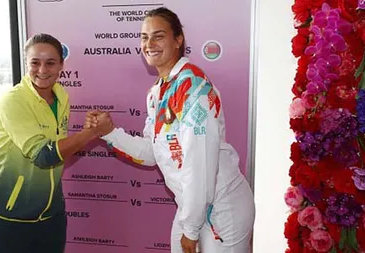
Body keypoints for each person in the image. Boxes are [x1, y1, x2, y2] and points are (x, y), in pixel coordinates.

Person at [85, 7, 255, 253]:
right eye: (144, 37)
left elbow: (200, 165)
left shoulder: (193, 88)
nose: (149, 43)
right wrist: (109, 132)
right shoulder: (159, 91)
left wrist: (191, 229)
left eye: (158, 35)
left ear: (178, 40)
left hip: (222, 207)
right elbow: (151, 152)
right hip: (193, 207)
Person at [0, 33, 98, 253]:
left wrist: (86, 133)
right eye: (35, 63)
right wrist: (89, 134)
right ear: (26, 63)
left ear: (62, 64)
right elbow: (44, 156)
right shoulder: (13, 101)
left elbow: (59, 148)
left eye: (50, 63)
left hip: (51, 216)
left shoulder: (61, 95)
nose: (42, 70)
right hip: (8, 216)